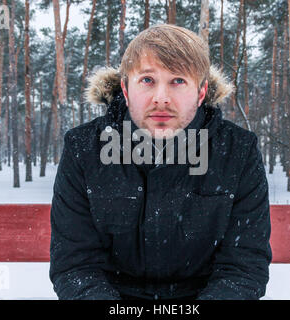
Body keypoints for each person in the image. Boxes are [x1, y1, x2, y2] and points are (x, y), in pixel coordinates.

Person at [49, 24, 272, 300]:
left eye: (178, 81)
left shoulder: (238, 151)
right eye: (147, 80)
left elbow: (243, 268)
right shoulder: (84, 148)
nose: (161, 98)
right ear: (126, 88)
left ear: (201, 92)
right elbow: (76, 266)